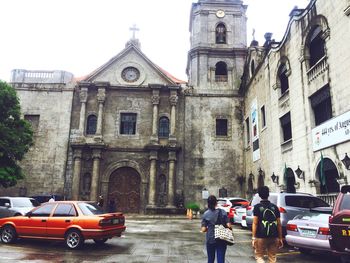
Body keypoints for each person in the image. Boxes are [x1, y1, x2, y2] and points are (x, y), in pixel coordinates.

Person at [252, 186, 283, 263]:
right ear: (268, 194)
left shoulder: (257, 207)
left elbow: (255, 223)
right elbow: (279, 224)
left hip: (261, 236)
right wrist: (280, 238)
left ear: (259, 195)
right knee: (272, 257)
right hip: (274, 236)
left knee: (259, 256)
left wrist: (253, 237)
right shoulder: (275, 207)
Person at [201, 195, 232, 263]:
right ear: (216, 203)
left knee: (210, 259)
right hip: (221, 238)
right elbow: (228, 225)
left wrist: (208, 229)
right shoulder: (223, 212)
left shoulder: (206, 214)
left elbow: (203, 229)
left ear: (208, 203)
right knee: (221, 259)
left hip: (210, 239)